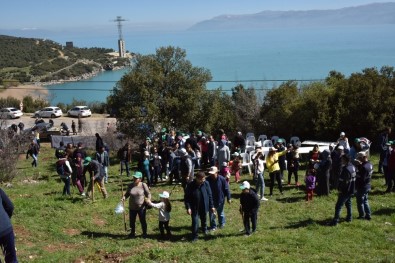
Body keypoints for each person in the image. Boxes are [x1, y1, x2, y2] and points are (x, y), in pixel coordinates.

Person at [184, 171, 215, 242]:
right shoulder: (190, 185)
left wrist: (211, 206)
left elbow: (210, 195)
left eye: (204, 179)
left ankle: (205, 230)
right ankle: (195, 236)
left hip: (204, 206)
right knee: (195, 222)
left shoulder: (206, 184)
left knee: (204, 219)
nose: (203, 181)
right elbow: (187, 198)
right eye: (201, 179)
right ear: (197, 178)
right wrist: (188, 207)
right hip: (194, 207)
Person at [122, 171, 151, 239]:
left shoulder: (143, 185)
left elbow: (148, 194)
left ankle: (144, 233)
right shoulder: (130, 185)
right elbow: (127, 194)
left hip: (141, 207)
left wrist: (149, 199)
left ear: (140, 179)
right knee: (132, 221)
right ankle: (132, 233)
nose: (134, 179)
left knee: (142, 220)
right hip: (132, 207)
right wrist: (124, 197)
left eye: (136, 178)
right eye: (134, 177)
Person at [330, 154, 356, 226]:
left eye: (342, 159)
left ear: (345, 160)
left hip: (345, 191)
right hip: (351, 189)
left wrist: (340, 189)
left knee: (338, 206)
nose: (341, 161)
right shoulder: (352, 167)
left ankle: (335, 221)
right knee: (348, 204)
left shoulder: (346, 169)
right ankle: (349, 218)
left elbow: (345, 182)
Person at [206, 166, 231, 231]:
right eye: (210, 174)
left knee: (221, 212)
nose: (211, 175)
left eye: (213, 173)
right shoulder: (207, 180)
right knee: (212, 214)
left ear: (217, 172)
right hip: (211, 200)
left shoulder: (222, 179)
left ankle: (222, 223)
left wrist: (229, 198)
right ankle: (213, 226)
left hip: (220, 199)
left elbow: (226, 189)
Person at [0, 188, 18, 262]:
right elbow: (10, 206)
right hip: (6, 228)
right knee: (12, 259)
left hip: (5, 227)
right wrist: (6, 220)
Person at [354, 151, 372, 220]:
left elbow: (361, 178)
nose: (358, 160)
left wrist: (358, 169)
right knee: (365, 201)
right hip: (368, 185)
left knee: (360, 202)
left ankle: (361, 215)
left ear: (363, 157)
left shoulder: (364, 167)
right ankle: (368, 215)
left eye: (359, 158)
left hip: (362, 186)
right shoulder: (370, 164)